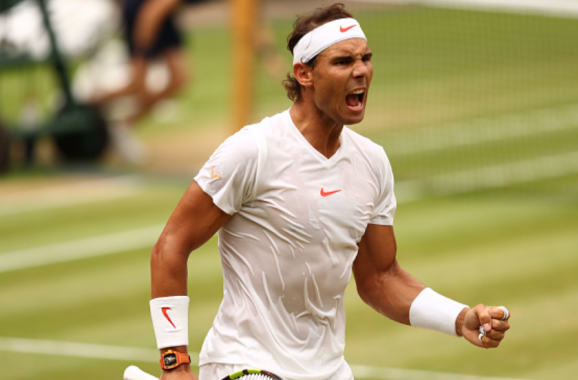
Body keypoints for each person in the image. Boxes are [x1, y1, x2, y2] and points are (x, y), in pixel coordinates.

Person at [149, 4, 511, 380]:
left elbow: (380, 279)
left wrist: (458, 317)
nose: (361, 71)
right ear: (304, 74)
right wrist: (174, 363)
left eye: (366, 58)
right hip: (247, 362)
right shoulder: (252, 151)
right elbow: (170, 245)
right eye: (342, 61)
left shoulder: (372, 162)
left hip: (328, 370)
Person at [92, 0, 190, 162]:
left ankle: (120, 127)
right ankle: (89, 104)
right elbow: (152, 12)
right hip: (142, 15)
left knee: (179, 80)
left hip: (163, 17)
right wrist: (142, 52)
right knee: (137, 85)